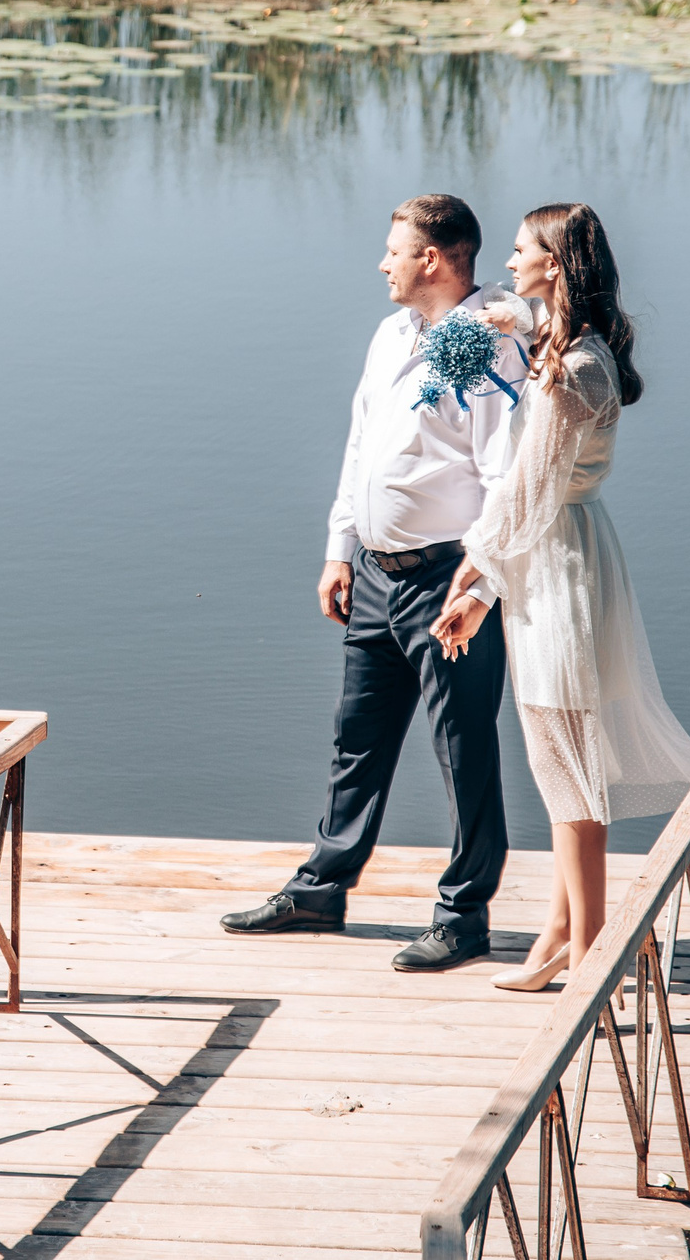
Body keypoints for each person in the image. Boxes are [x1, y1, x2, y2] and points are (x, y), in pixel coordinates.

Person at [222, 194, 532, 974]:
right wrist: (340, 548)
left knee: (463, 747)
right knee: (356, 737)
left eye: (394, 250)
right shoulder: (392, 333)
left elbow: (503, 474)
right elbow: (361, 445)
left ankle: (463, 916)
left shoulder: (490, 340)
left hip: (445, 579)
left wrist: (479, 585)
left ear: (431, 258)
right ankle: (321, 888)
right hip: (372, 573)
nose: (382, 263)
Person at [432, 203, 690, 992]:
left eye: (521, 249)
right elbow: (525, 318)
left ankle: (591, 958)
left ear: (553, 262)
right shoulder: (568, 343)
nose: (507, 261)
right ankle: (558, 932)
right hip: (552, 555)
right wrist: (506, 319)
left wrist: (475, 579)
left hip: (557, 567)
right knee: (557, 760)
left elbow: (528, 491)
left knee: (570, 768)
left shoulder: (575, 369)